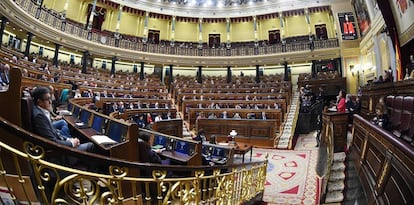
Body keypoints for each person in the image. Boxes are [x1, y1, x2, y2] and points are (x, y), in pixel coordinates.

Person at [31, 87, 94, 152]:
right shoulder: (40, 116)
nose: (50, 102)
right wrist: (71, 143)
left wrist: (68, 140)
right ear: (39, 102)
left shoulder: (40, 111)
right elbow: (51, 142)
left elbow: (54, 132)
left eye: (50, 98)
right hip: (58, 152)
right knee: (91, 145)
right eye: (47, 99)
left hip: (59, 143)